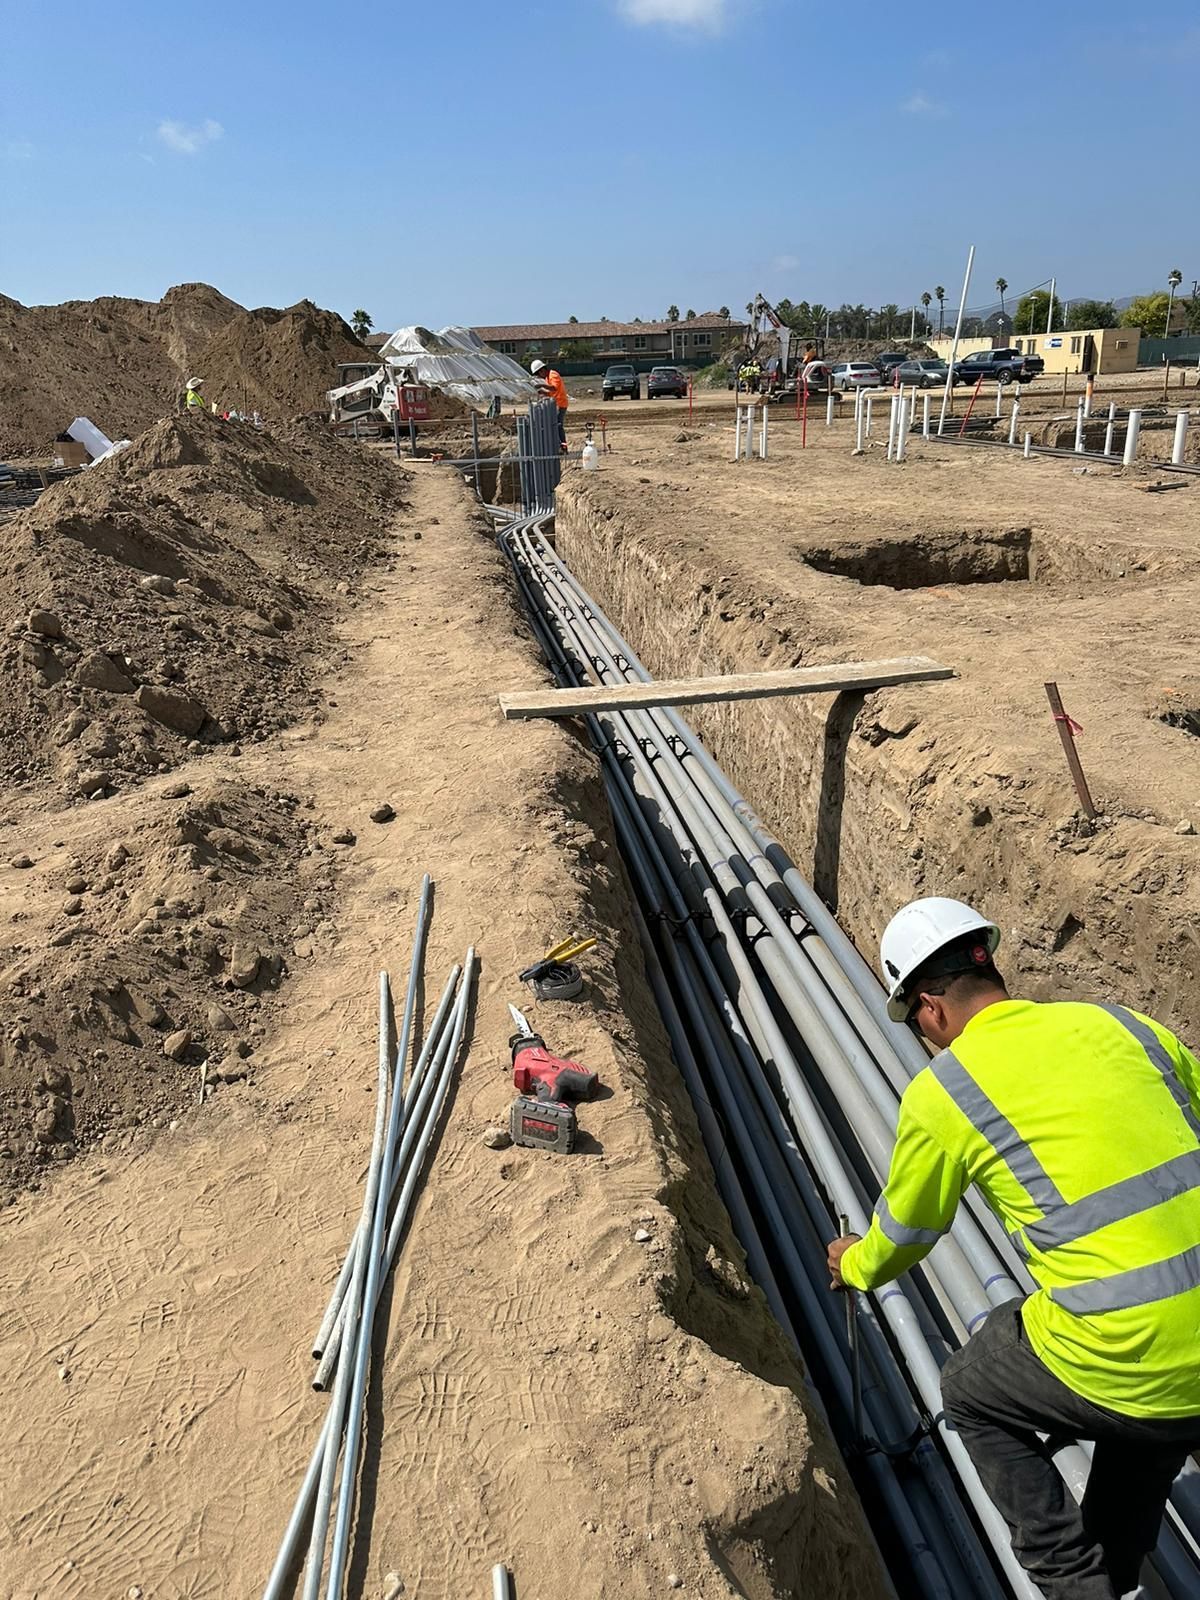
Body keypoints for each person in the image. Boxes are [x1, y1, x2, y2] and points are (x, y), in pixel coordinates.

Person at [827, 896, 1200, 1600]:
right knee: (1149, 1408)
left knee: (972, 1391)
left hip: (1134, 1350)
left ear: (929, 1008)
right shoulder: (1122, 1023)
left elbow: (906, 1233)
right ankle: (1119, 1565)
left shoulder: (947, 1091)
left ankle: (1073, 1584)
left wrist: (854, 1262)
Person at [530, 359, 568, 450]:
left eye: (539, 374)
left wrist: (541, 386)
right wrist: (543, 392)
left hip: (560, 404)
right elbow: (551, 393)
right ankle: (559, 446)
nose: (540, 377)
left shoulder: (553, 374)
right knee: (555, 425)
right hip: (556, 404)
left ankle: (563, 447)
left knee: (558, 426)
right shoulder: (547, 378)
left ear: (542, 370)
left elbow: (554, 388)